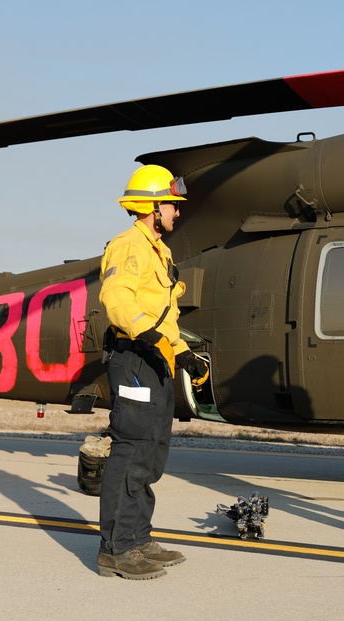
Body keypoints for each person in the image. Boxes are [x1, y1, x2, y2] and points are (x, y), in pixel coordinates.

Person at [96, 164, 209, 580]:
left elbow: (167, 317)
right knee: (132, 448)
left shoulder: (159, 251)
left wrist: (181, 352)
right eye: (172, 205)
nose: (177, 213)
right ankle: (116, 549)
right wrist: (144, 333)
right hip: (134, 357)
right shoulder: (128, 246)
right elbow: (116, 298)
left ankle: (138, 538)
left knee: (153, 449)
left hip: (156, 358)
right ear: (151, 205)